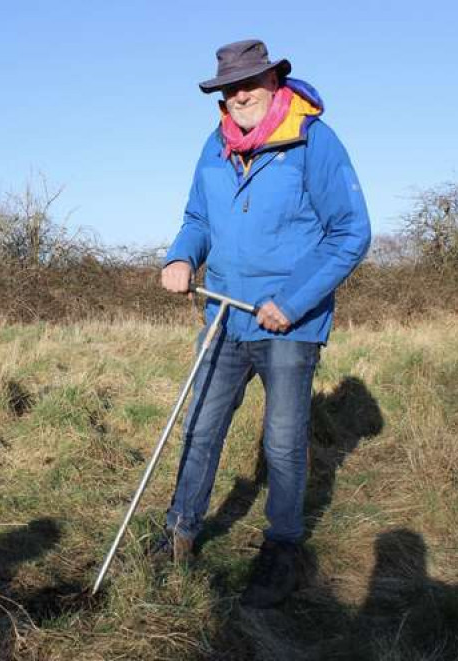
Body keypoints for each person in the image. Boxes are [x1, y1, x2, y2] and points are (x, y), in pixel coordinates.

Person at [158, 39, 371, 608]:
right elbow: (197, 217)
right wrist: (181, 257)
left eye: (251, 81)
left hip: (287, 323)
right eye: (230, 87)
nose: (241, 93)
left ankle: (282, 550)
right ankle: (179, 531)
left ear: (276, 79)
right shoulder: (216, 144)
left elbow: (350, 232)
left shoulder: (314, 141)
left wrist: (295, 300)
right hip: (223, 314)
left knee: (281, 440)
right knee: (201, 425)